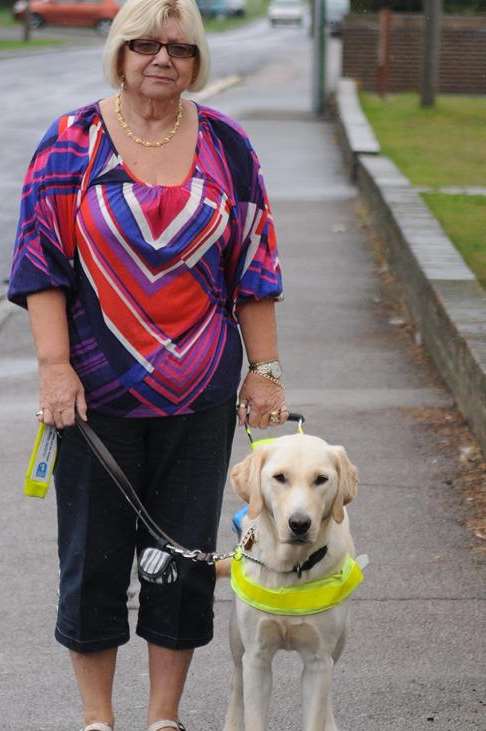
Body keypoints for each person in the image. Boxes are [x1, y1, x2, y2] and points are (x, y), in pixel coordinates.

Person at [8, 0, 286, 729]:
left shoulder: (228, 146)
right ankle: (98, 717)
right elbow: (40, 266)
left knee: (182, 560)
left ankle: (163, 717)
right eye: (144, 45)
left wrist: (267, 371)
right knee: (94, 559)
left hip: (200, 394)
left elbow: (255, 265)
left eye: (180, 48)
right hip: (95, 398)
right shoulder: (71, 140)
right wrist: (53, 366)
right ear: (119, 53)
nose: (162, 59)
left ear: (198, 60)